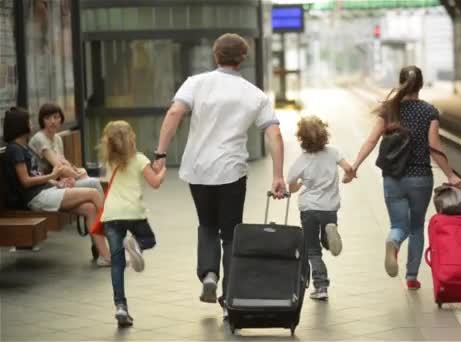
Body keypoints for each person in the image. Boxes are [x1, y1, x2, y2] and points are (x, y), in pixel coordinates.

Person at [153, 33, 287, 318]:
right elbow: (274, 134)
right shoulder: (254, 94)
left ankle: (209, 274)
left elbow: (175, 112)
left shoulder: (196, 83)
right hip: (231, 171)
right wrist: (277, 175)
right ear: (243, 59)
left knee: (207, 225)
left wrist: (161, 154)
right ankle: (231, 296)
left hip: (198, 169)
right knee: (231, 232)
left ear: (216, 55)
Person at [350, 66, 461, 289]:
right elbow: (434, 147)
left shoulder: (389, 110)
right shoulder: (429, 111)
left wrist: (354, 166)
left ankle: (393, 242)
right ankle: (411, 278)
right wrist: (450, 174)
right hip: (420, 177)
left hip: (393, 178)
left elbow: (371, 141)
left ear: (400, 83)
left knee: (399, 225)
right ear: (420, 85)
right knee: (417, 227)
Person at [2, 107, 111, 265]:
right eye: (28, 121)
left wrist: (56, 182)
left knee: (90, 208)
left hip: (45, 191)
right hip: (35, 198)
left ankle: (105, 256)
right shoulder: (15, 150)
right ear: (20, 125)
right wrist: (52, 176)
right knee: (93, 194)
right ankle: (114, 232)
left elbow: (36, 175)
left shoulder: (23, 148)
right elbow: (25, 181)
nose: (31, 124)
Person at [99, 120, 166, 328]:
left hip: (110, 215)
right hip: (133, 213)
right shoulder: (139, 159)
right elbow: (154, 183)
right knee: (149, 239)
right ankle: (136, 246)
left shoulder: (109, 162)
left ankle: (120, 307)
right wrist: (162, 170)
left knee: (117, 263)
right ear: (131, 139)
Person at [287, 116, 354, 301]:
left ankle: (321, 286)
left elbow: (290, 184)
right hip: (329, 208)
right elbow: (349, 168)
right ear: (324, 133)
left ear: (302, 138)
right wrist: (348, 176)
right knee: (327, 235)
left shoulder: (302, 160)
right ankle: (328, 233)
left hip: (309, 208)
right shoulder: (333, 152)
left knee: (312, 249)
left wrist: (299, 185)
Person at [29, 103, 102, 193]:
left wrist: (74, 172)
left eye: (56, 117)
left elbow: (63, 162)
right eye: (47, 118)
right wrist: (77, 175)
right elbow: (59, 166)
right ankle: (105, 207)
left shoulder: (57, 138)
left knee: (88, 205)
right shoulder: (39, 138)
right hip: (45, 183)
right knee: (93, 183)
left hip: (58, 180)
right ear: (42, 121)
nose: (52, 121)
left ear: (61, 119)